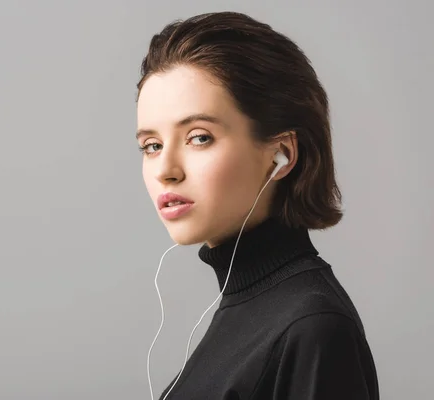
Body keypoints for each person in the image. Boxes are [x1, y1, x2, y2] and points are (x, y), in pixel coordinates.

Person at [135, 11, 379, 400]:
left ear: (280, 153)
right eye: (151, 145)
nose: (166, 170)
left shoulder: (312, 327)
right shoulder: (247, 311)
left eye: (198, 138)